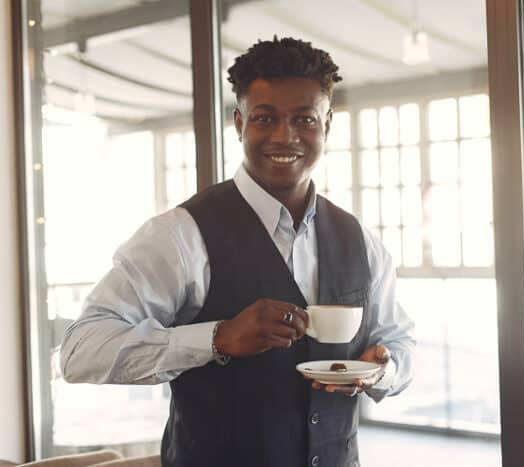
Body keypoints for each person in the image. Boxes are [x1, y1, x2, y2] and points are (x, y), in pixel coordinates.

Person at [61, 36, 415, 467]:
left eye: (304, 119)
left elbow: (398, 340)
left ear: (327, 124)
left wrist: (382, 369)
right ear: (239, 123)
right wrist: (217, 337)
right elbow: (80, 351)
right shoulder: (180, 236)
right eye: (266, 118)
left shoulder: (360, 240)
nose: (286, 136)